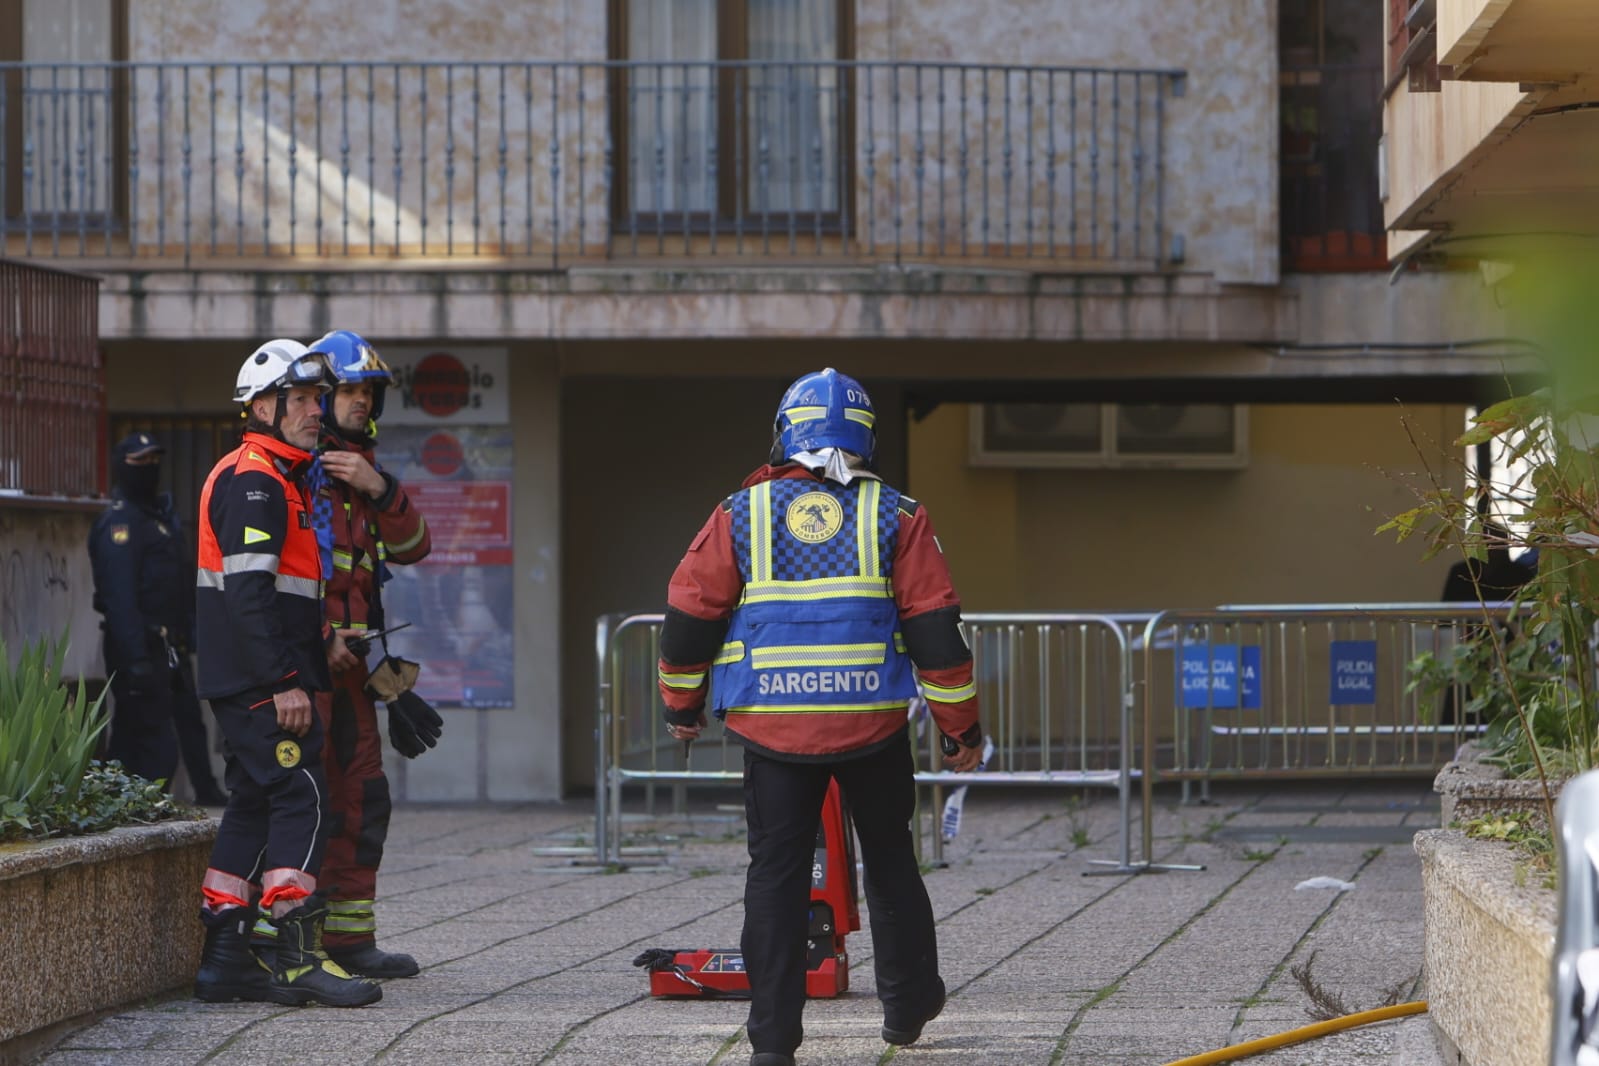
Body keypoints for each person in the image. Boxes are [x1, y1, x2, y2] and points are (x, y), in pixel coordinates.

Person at [655, 368, 985, 1066]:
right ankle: (908, 1004)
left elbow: (688, 618)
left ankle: (773, 1043)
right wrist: (961, 729)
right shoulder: (894, 513)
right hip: (871, 727)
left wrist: (681, 709)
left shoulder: (740, 512)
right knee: (890, 861)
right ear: (864, 437)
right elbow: (935, 632)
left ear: (784, 432)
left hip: (773, 733)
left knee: (774, 875)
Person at [190, 339, 380, 1008]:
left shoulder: (275, 477)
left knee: (251, 803)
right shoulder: (257, 482)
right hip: (260, 685)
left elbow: (277, 594)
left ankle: (225, 961)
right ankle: (299, 960)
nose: (312, 411)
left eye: (314, 400)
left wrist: (320, 637)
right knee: (304, 796)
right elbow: (246, 597)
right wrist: (282, 682)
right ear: (261, 407)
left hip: (249, 678)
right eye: (296, 400)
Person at [281, 328, 433, 978]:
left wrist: (378, 487)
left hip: (357, 673)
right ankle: (295, 947)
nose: (360, 402)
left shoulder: (363, 478)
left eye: (368, 392)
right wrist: (319, 640)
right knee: (306, 806)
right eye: (347, 390)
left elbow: (414, 548)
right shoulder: (294, 472)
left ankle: (350, 939)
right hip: (305, 672)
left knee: (364, 800)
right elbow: (274, 579)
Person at [87, 432, 225, 803]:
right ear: (121, 466)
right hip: (141, 647)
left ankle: (207, 792)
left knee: (188, 724)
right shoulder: (121, 525)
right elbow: (120, 600)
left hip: (170, 646)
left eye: (154, 461)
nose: (150, 469)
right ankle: (128, 806)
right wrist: (135, 660)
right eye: (140, 462)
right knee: (148, 738)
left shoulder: (158, 519)